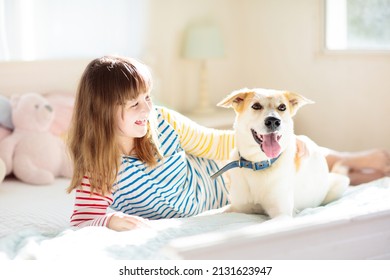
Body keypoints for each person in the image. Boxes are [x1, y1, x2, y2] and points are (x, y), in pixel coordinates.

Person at [67, 55, 390, 231]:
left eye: (148, 98)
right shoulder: (98, 168)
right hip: (208, 204)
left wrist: (287, 140)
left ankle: (350, 158)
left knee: (287, 155)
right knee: (289, 170)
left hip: (223, 182)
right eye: (134, 104)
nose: (148, 109)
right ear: (102, 111)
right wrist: (109, 219)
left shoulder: (162, 120)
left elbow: (217, 144)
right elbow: (82, 219)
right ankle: (355, 174)